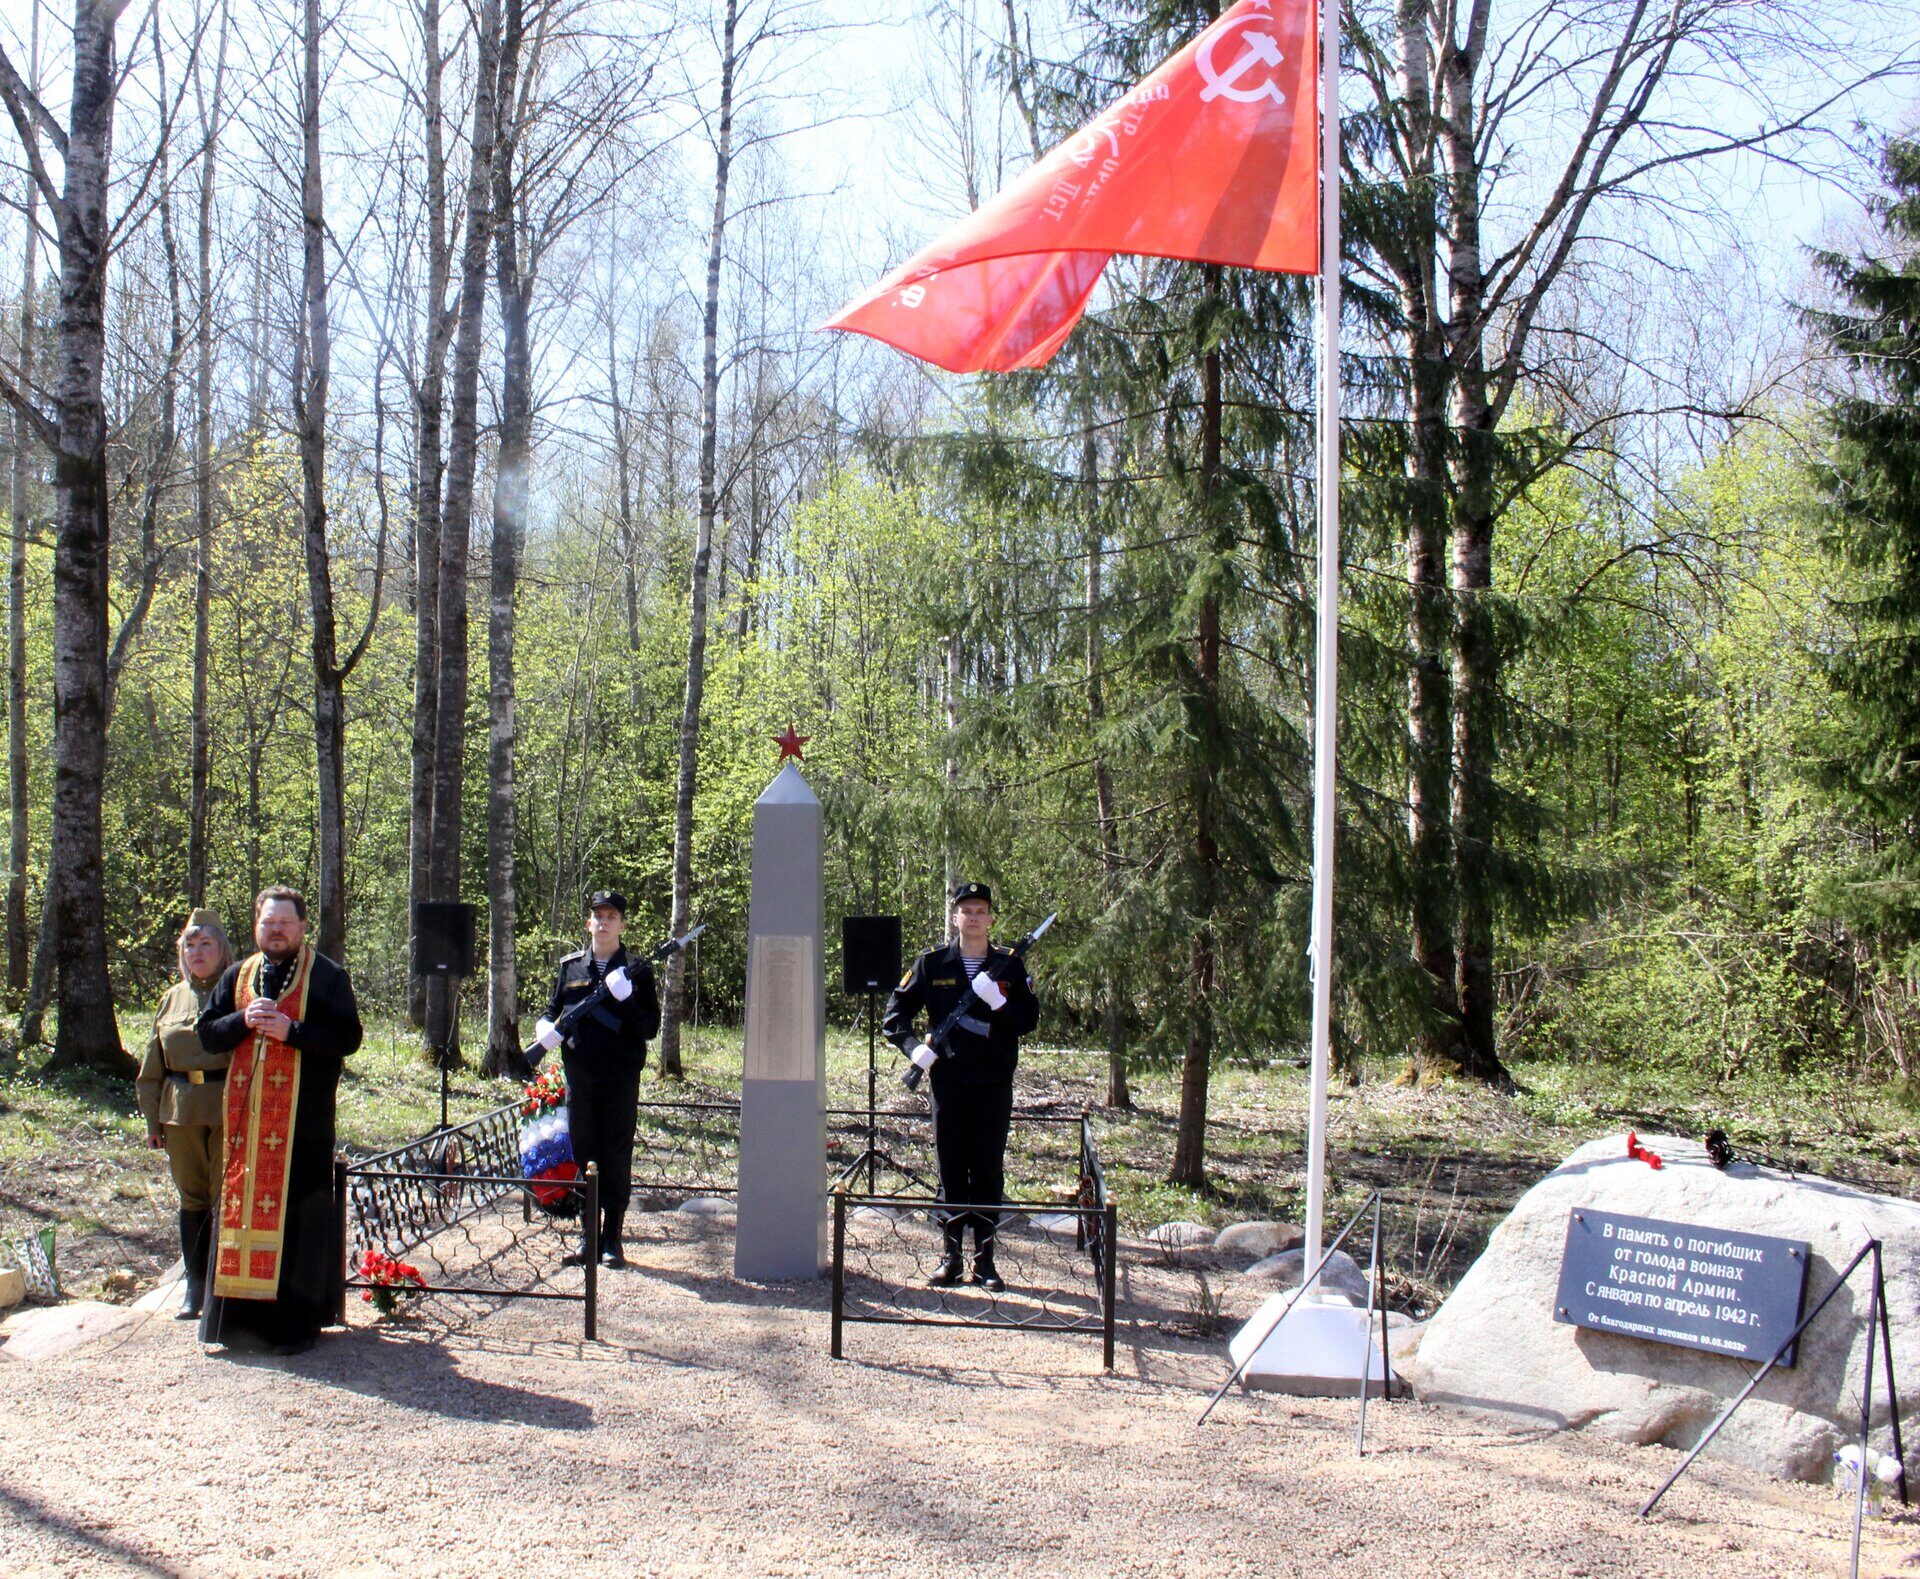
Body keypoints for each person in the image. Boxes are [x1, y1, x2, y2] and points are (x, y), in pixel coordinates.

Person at [196, 886, 363, 1355]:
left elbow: (348, 1038)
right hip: (246, 1131)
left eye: (284, 923)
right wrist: (243, 1021)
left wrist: (294, 1033)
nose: (276, 931)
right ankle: (233, 1327)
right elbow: (208, 1035)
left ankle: (293, 1328)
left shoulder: (327, 976)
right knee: (240, 1217)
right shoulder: (237, 975)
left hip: (302, 1129)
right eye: (268, 923)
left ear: (302, 927)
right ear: (257, 926)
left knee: (296, 1224)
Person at [883, 881, 1040, 1292]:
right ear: (955, 917)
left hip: (993, 1081)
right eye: (965, 910)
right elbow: (895, 1016)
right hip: (949, 1081)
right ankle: (951, 1256)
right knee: (951, 1166)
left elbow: (1028, 1021)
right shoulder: (932, 963)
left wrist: (999, 1003)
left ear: (990, 919)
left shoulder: (1009, 965)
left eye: (980, 911)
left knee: (987, 1168)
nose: (973, 917)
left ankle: (985, 1260)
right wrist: (915, 1050)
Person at [531, 890, 661, 1268]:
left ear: (622, 924)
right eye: (597, 916)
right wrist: (545, 1029)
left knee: (616, 1156)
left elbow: (649, 1027)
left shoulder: (638, 972)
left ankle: (612, 1239)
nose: (603, 923)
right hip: (581, 1079)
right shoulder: (571, 967)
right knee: (584, 1153)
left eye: (611, 916)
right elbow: (552, 1009)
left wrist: (627, 999)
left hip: (620, 1078)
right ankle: (588, 1238)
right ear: (589, 923)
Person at [135, 909, 235, 1320]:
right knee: (192, 1197)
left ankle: (224, 1286)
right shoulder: (171, 998)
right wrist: (151, 1121)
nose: (197, 952)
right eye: (189, 945)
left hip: (228, 1105)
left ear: (222, 950)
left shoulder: (237, 991)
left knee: (225, 1196)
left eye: (205, 943)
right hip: (180, 1111)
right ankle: (194, 1286)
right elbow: (152, 1065)